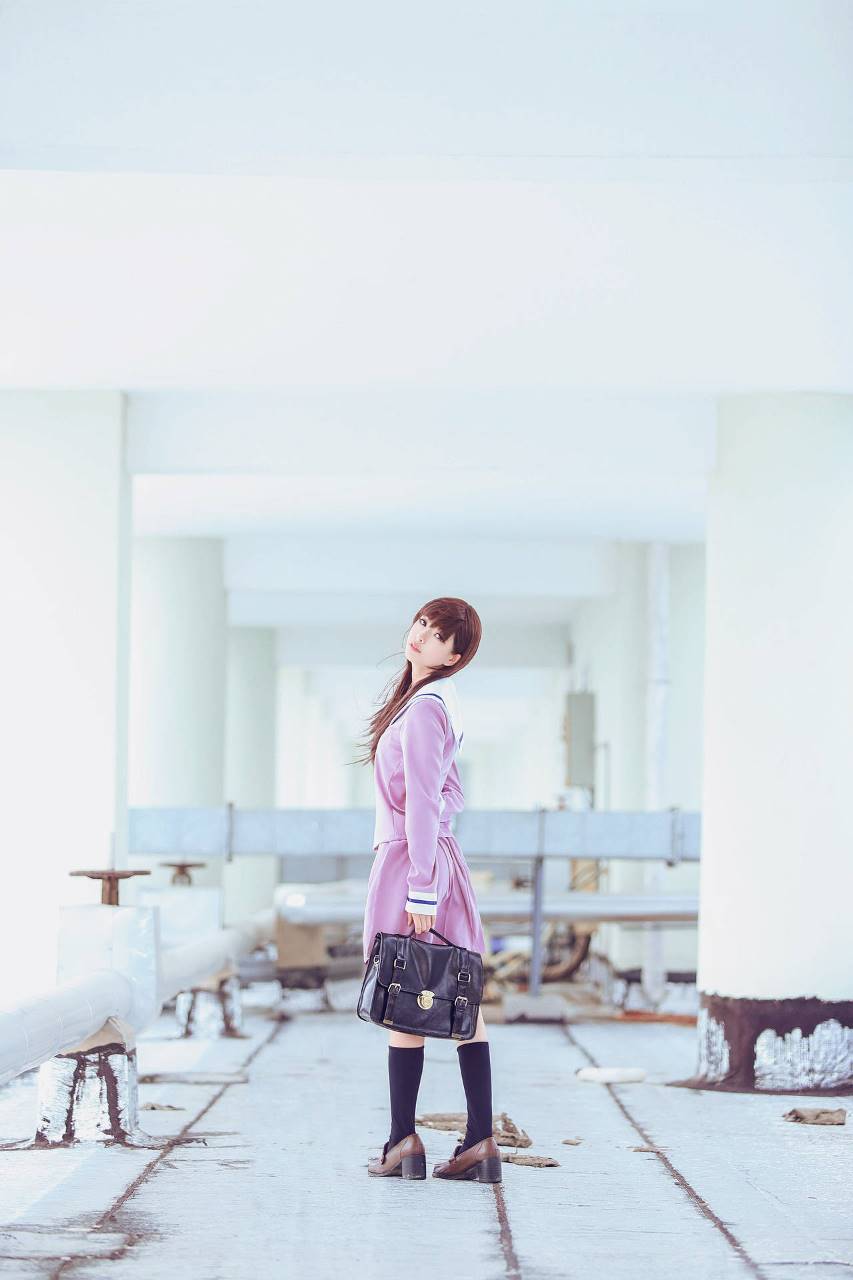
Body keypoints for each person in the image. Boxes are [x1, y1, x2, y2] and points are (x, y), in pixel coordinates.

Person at [355, 597, 501, 1183]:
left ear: (454, 655)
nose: (421, 635)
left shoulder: (424, 711)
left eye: (439, 634)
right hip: (430, 858)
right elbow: (448, 794)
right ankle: (479, 1141)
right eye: (422, 623)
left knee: (406, 990)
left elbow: (423, 799)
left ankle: (403, 1141)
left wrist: (420, 887)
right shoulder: (427, 704)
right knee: (453, 994)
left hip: (413, 863)